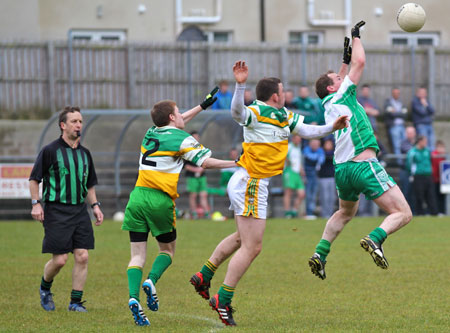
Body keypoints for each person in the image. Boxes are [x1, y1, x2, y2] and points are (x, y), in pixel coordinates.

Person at [190, 60, 348, 326]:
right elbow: (237, 113)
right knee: (254, 246)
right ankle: (223, 299)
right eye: (283, 90)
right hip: (251, 181)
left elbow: (307, 130)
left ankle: (205, 275)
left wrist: (331, 128)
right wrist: (240, 86)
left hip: (249, 181)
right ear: (275, 95)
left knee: (242, 238)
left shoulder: (284, 115)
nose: (285, 94)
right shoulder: (256, 110)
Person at [121, 90, 237, 326]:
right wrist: (236, 163)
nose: (181, 115)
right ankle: (151, 281)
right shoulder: (183, 139)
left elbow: (176, 122)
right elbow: (205, 162)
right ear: (173, 118)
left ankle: (134, 298)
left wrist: (201, 107)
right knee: (167, 251)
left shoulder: (151, 131)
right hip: (159, 200)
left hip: (137, 197)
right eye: (178, 112)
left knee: (137, 255)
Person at [308, 22, 412, 281]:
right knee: (403, 213)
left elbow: (339, 79)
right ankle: (376, 239)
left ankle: (320, 253)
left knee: (345, 212)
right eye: (337, 79)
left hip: (342, 169)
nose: (341, 78)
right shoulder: (342, 94)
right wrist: (356, 38)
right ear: (333, 87)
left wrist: (343, 61)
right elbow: (361, 62)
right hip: (363, 164)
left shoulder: (329, 101)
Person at [29, 106, 104, 313]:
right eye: (74, 121)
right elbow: (34, 179)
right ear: (63, 125)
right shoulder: (50, 151)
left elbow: (89, 184)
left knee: (82, 256)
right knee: (60, 259)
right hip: (56, 211)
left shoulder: (85, 154)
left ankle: (75, 302)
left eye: (80, 121)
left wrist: (95, 206)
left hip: (80, 211)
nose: (78, 125)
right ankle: (45, 288)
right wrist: (36, 204)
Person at [406, 135, 438, 216]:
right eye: (424, 141)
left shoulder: (427, 150)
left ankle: (434, 213)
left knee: (431, 194)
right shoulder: (412, 152)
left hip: (428, 175)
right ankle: (420, 213)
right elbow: (409, 164)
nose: (425, 143)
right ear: (419, 141)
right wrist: (412, 173)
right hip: (418, 176)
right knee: (419, 195)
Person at [184, 131, 210, 219]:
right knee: (193, 195)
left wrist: (201, 169)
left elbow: (207, 161)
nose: (196, 139)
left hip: (202, 176)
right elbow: (186, 166)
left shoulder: (202, 149)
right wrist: (196, 169)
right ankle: (194, 213)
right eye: (194, 137)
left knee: (203, 194)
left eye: (197, 137)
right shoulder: (186, 150)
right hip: (191, 177)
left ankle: (207, 213)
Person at [283, 133, 305, 218]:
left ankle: (294, 211)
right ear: (293, 139)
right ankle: (287, 212)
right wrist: (288, 161)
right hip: (289, 171)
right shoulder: (289, 147)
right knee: (289, 192)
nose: (299, 140)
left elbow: (298, 160)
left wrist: (301, 169)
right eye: (297, 138)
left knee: (301, 194)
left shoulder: (298, 148)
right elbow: (283, 155)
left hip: (297, 173)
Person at [303, 139, 325, 219]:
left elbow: (322, 160)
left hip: (315, 175)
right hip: (306, 175)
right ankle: (308, 212)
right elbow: (311, 157)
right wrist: (317, 157)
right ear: (310, 144)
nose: (315, 145)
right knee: (308, 194)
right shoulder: (306, 149)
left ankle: (311, 212)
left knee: (313, 194)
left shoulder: (320, 150)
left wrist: (317, 158)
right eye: (314, 144)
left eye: (317, 144)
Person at [384, 87, 408, 160]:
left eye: (398, 93)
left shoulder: (401, 102)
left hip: (402, 126)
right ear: (392, 94)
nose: (396, 95)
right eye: (395, 93)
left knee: (405, 144)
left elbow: (405, 114)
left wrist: (395, 112)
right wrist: (400, 112)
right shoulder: (388, 102)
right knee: (396, 145)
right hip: (393, 126)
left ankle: (404, 161)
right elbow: (390, 114)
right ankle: (399, 162)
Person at [400, 126, 417, 213]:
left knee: (415, 193)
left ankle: (414, 211)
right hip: (405, 170)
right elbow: (407, 150)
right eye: (408, 133)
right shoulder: (404, 143)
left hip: (416, 172)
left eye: (412, 132)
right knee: (405, 192)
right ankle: (404, 211)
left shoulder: (417, 142)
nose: (410, 134)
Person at [318, 139, 336, 218]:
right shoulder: (321, 153)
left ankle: (331, 214)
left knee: (332, 197)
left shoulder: (335, 153)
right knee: (324, 197)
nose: (328, 145)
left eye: (330, 144)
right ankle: (325, 214)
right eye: (327, 144)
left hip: (332, 178)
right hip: (323, 178)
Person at [431, 140, 447, 215]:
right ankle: (437, 211)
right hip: (435, 179)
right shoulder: (434, 155)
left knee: (442, 196)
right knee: (436, 196)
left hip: (442, 180)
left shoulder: (443, 156)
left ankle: (442, 211)